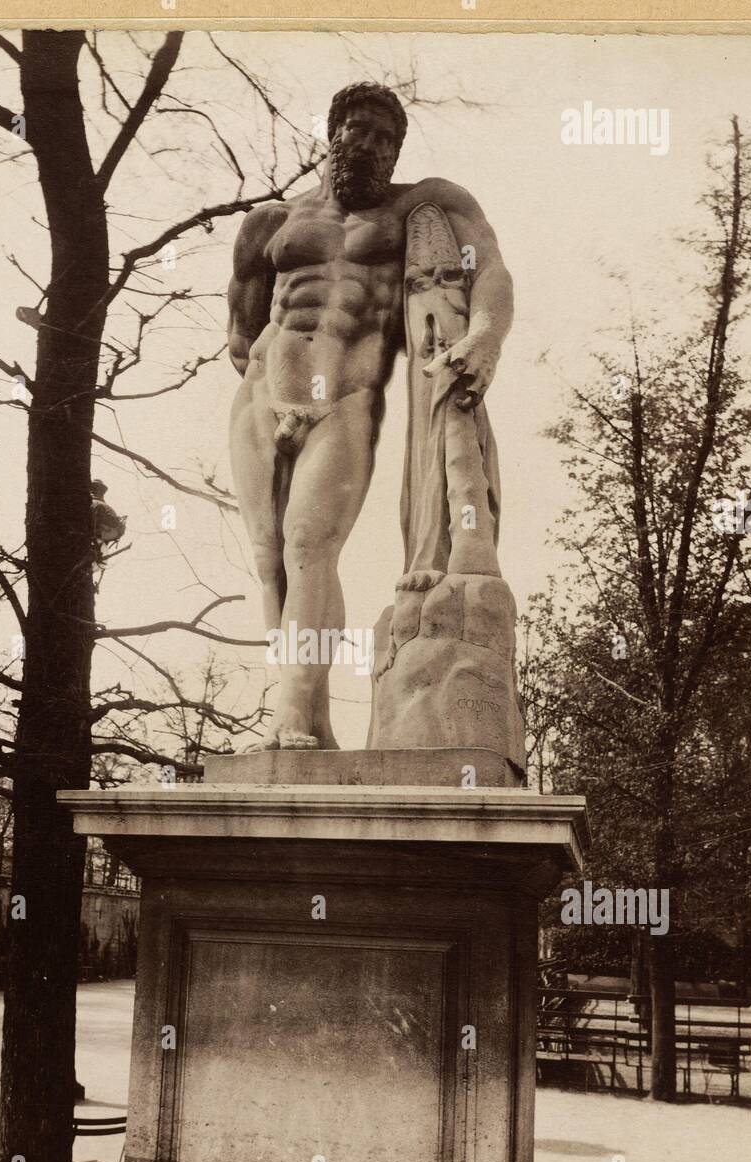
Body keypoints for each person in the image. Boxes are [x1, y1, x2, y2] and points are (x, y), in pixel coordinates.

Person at [228, 82, 514, 750]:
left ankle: (292, 717)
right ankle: (311, 717)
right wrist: (270, 379)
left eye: (385, 138)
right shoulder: (268, 226)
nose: (369, 145)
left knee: (309, 547)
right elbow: (241, 338)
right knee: (270, 561)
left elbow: (491, 270)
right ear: (333, 135)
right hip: (262, 402)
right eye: (358, 129)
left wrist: (485, 337)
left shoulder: (423, 202)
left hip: (346, 403)